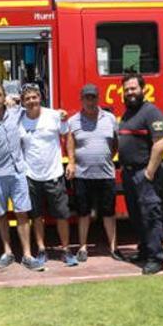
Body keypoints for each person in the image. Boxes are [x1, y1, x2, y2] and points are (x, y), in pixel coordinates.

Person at [0, 82, 44, 271]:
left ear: (4, 97)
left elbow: (34, 107)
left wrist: (59, 114)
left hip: (18, 172)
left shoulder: (16, 112)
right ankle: (8, 252)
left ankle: (27, 255)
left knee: (22, 213)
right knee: (1, 214)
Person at [18, 83, 77, 267]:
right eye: (27, 98)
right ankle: (41, 249)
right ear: (22, 102)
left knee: (61, 215)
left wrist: (72, 161)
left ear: (40, 98)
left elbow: (68, 136)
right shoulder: (18, 118)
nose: (31, 101)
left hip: (54, 174)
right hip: (31, 176)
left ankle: (66, 250)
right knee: (36, 216)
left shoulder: (54, 116)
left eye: (34, 97)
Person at [118, 73, 163, 275]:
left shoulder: (151, 112)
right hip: (129, 174)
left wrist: (149, 173)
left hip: (143, 174)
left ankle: (156, 258)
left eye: (133, 88)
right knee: (137, 216)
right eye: (127, 89)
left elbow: (160, 143)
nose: (130, 92)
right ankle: (145, 250)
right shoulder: (128, 113)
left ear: (143, 89)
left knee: (150, 216)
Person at [65, 83, 119, 262]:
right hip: (82, 175)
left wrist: (106, 157)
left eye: (93, 97)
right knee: (83, 213)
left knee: (109, 212)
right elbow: (70, 143)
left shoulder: (110, 119)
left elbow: (115, 144)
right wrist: (72, 162)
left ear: (98, 98)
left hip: (106, 174)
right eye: (87, 97)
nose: (90, 100)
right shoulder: (73, 121)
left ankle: (113, 247)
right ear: (81, 99)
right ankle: (82, 247)